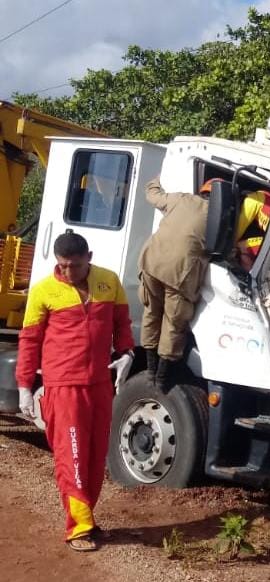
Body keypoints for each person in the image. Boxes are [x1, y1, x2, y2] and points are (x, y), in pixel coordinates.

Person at [15, 232, 134, 551]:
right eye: (63, 266)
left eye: (75, 266)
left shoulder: (109, 282)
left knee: (95, 457)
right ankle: (78, 527)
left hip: (99, 384)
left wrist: (127, 353)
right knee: (72, 454)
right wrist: (25, 386)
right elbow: (29, 341)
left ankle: (87, 518)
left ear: (89, 257)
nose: (68, 272)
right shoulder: (43, 291)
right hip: (63, 385)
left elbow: (122, 324)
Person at [138, 177, 214, 388]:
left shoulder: (181, 199)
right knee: (173, 323)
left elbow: (153, 196)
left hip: (151, 262)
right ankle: (162, 379)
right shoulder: (218, 216)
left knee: (151, 313)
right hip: (180, 274)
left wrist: (154, 180)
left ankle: (150, 371)